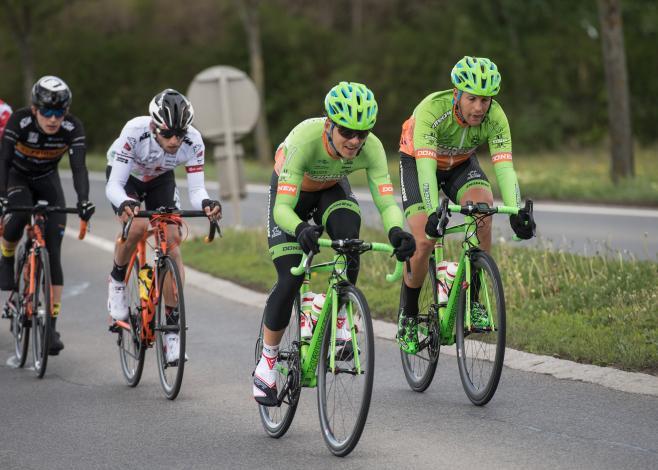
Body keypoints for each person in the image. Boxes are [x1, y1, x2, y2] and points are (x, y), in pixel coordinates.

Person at [253, 81, 416, 406]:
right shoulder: (305, 140)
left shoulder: (370, 149)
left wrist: (398, 231)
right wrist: (300, 229)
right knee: (291, 278)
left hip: (330, 189)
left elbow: (386, 202)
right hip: (292, 198)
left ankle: (340, 316)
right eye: (347, 132)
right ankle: (267, 364)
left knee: (349, 240)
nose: (355, 141)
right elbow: (283, 209)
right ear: (329, 125)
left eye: (363, 133)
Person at [396, 56, 536, 354]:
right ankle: (408, 316)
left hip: (460, 164)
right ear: (457, 94)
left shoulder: (496, 117)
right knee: (423, 240)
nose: (479, 108)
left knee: (484, 211)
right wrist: (435, 210)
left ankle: (474, 300)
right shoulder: (431, 110)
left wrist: (515, 210)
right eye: (472, 99)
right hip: (420, 163)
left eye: (485, 100)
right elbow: (425, 169)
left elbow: (505, 167)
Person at [105, 88, 221, 364]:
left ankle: (171, 331)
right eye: (168, 134)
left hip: (160, 180)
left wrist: (207, 203)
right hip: (127, 179)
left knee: (171, 238)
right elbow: (114, 185)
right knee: (136, 227)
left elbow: (197, 188)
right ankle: (117, 281)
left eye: (179, 134)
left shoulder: (193, 141)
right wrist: (124, 204)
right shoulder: (134, 132)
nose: (174, 140)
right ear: (154, 126)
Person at [0, 76, 94, 355]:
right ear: (34, 109)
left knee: (52, 250)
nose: (53, 119)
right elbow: (3, 160)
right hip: (17, 176)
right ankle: (6, 259)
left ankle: (51, 327)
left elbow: (79, 169)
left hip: (46, 179)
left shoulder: (72, 127)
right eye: (47, 112)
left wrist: (84, 200)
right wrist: (3, 195)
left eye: (59, 112)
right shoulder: (19, 121)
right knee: (16, 218)